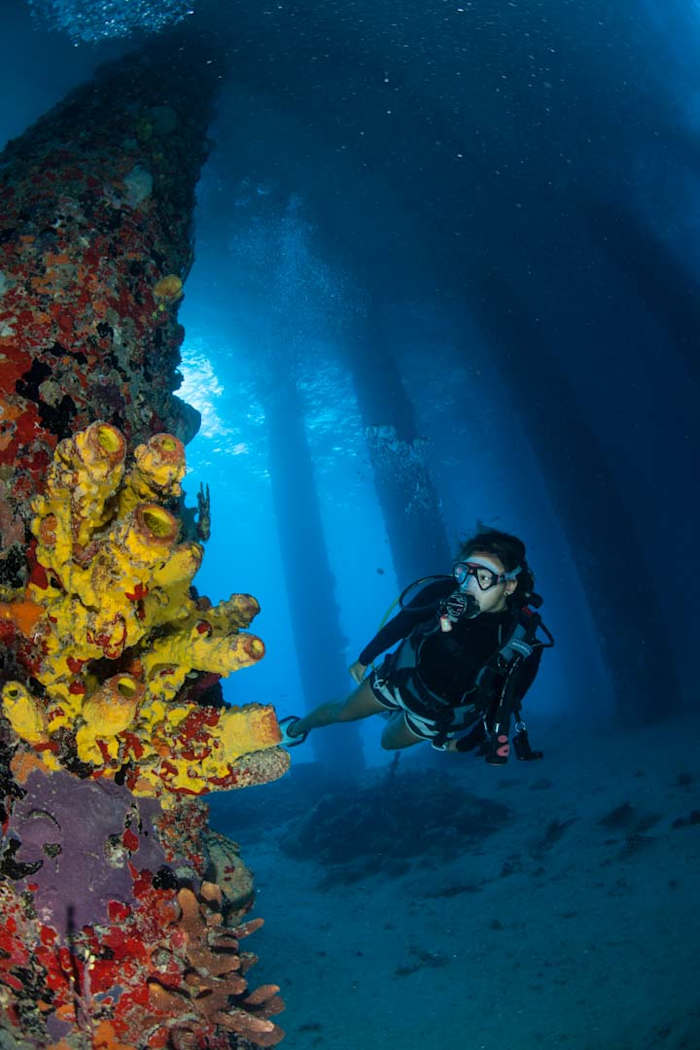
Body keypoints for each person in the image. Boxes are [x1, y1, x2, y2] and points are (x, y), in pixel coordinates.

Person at [280, 527, 552, 762]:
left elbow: (506, 701)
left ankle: (394, 716)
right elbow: (402, 623)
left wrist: (467, 742)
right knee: (342, 712)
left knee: (386, 743)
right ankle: (294, 730)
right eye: (464, 573)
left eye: (483, 578)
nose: (468, 587)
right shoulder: (441, 592)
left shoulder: (520, 638)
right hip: (400, 677)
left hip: (439, 713)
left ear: (510, 585)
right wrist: (366, 657)